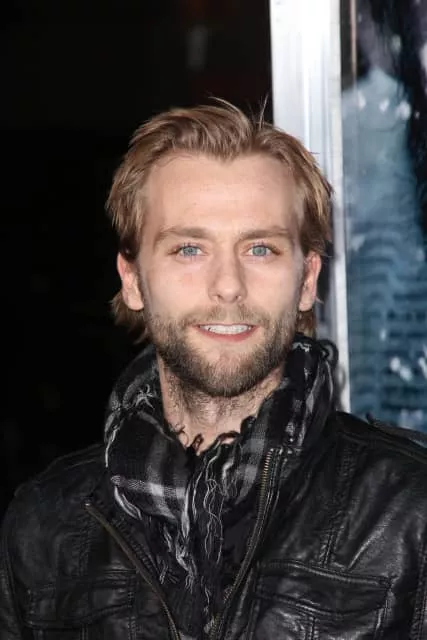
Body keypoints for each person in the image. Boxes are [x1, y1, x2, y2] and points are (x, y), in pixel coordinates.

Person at [1, 100, 427, 640]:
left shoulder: (412, 512)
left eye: (260, 249)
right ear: (132, 280)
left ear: (306, 280)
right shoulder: (43, 527)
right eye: (189, 249)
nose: (228, 286)